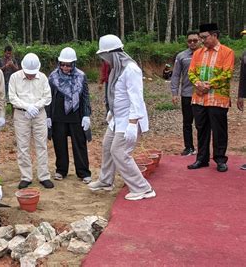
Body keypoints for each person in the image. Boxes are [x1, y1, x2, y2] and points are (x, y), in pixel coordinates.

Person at [88, 34, 155, 201]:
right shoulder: (116, 69)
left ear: (113, 54)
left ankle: (143, 188)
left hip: (129, 119)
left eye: (105, 56)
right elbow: (117, 94)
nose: (104, 60)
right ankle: (105, 181)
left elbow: (136, 98)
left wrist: (133, 123)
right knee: (107, 146)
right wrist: (112, 110)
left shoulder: (131, 69)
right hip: (117, 118)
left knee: (119, 152)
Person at [187, 23, 234, 172]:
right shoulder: (198, 53)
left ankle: (220, 159)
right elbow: (191, 72)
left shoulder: (227, 52)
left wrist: (208, 85)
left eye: (204, 37)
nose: (202, 41)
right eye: (201, 38)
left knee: (219, 130)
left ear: (214, 35)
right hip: (198, 98)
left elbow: (227, 74)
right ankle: (202, 159)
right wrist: (198, 83)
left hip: (218, 98)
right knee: (201, 129)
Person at [46, 47, 92, 184]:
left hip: (76, 116)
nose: (65, 67)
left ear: (74, 64)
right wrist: (48, 116)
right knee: (59, 143)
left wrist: (86, 114)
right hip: (58, 116)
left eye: (68, 65)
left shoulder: (81, 76)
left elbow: (85, 97)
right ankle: (61, 170)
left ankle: (83, 172)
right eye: (63, 64)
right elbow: (48, 98)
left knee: (80, 144)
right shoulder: (53, 77)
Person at [9, 53, 53, 189]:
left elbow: (47, 97)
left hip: (39, 114)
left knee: (41, 145)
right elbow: (12, 96)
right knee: (23, 146)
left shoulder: (43, 78)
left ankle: (44, 176)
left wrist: (36, 106)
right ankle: (26, 176)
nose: (31, 75)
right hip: (21, 114)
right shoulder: (15, 78)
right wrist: (26, 106)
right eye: (28, 73)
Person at [171, 31, 201, 156]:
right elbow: (176, 75)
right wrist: (174, 92)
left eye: (195, 40)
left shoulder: (206, 55)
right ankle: (188, 147)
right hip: (187, 94)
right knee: (187, 122)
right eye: (190, 41)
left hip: (203, 95)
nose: (192, 43)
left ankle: (202, 149)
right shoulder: (181, 56)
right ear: (187, 42)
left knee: (201, 124)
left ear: (200, 40)